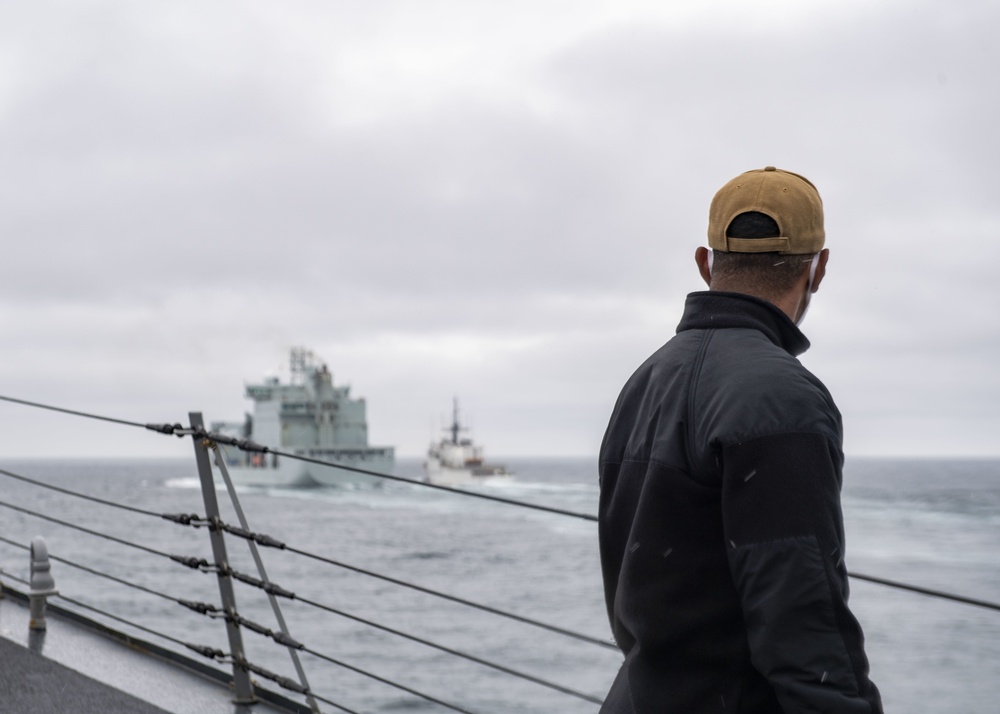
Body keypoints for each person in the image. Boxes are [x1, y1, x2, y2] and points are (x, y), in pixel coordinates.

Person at [598, 167, 882, 713]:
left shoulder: (644, 381)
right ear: (819, 269)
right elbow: (803, 627)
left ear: (705, 263)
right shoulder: (783, 398)